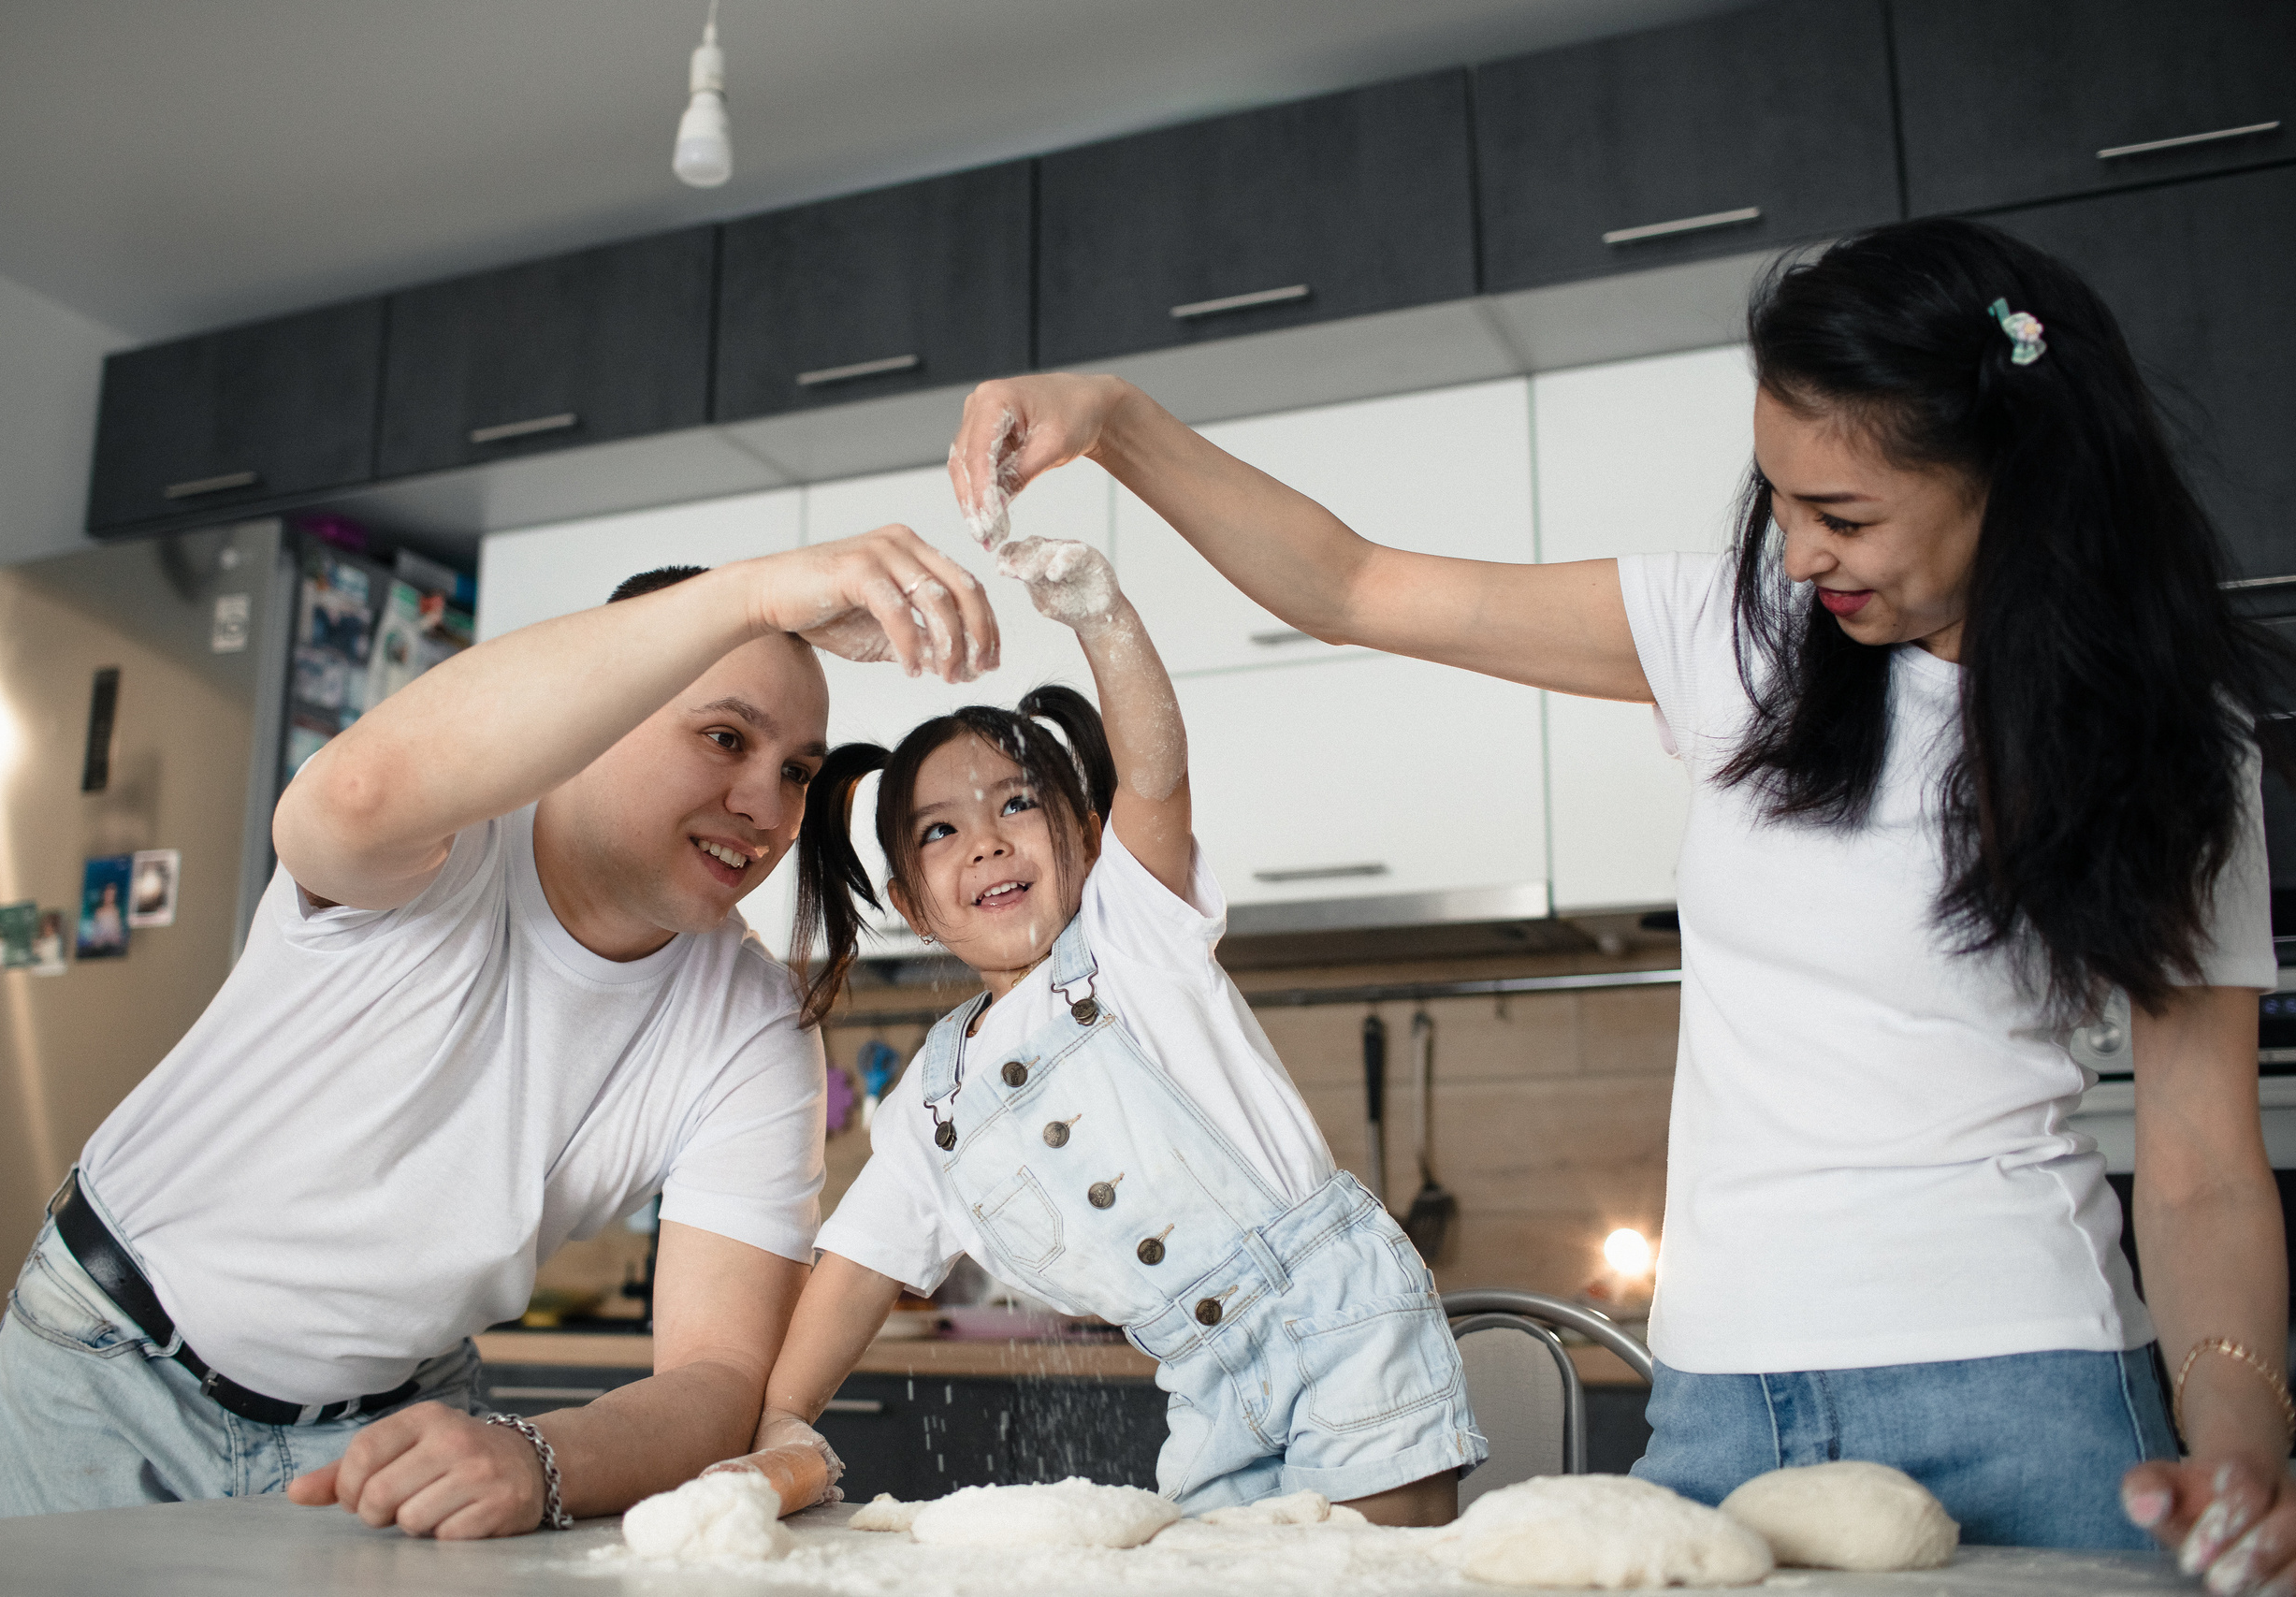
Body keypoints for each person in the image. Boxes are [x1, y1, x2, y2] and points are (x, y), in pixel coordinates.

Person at [943, 217, 2293, 1575]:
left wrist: (2237, 1425)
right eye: (1778, 498)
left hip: (2032, 1387)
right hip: (1722, 1403)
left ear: (2014, 475)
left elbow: (2200, 1166)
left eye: (1846, 514)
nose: (1802, 551)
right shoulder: (1749, 636)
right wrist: (1116, 420)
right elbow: (1350, 584)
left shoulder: (2175, 739)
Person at [0, 528, 1003, 1538]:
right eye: (726, 738)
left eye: (795, 772)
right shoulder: (440, 849)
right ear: (594, 719)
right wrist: (754, 591)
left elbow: (721, 1376)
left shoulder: (753, 1028)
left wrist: (537, 1455)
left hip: (392, 1425)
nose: (764, 805)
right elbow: (357, 790)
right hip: (112, 1367)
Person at [756, 533, 1485, 1524]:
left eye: (1017, 802)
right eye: (940, 830)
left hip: (1342, 1328)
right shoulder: (931, 1107)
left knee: (1378, 1582)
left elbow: (1155, 773)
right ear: (912, 906)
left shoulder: (1135, 937)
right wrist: (781, 1422)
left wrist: (1104, 618)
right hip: (1201, 1383)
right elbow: (856, 1268)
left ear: (1089, 841)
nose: (989, 840)